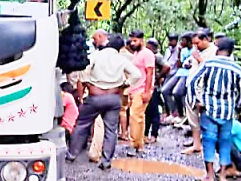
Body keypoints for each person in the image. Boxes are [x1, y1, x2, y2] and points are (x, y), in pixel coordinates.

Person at [68, 34, 143, 168]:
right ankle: (106, 161)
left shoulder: (97, 55)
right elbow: (136, 74)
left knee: (82, 125)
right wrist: (125, 84)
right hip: (114, 98)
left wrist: (87, 82)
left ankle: (72, 154)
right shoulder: (122, 59)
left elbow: (83, 70)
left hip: (95, 97)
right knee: (111, 130)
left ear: (107, 43)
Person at [187, 37, 241, 181]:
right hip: (227, 112)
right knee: (225, 141)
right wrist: (236, 106)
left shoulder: (209, 64)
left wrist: (196, 101)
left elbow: (194, 82)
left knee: (209, 140)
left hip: (209, 109)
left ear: (217, 47)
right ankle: (222, 175)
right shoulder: (237, 69)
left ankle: (209, 175)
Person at [119, 30, 156, 154]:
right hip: (134, 90)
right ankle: (139, 144)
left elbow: (150, 73)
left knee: (134, 117)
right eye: (131, 41)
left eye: (135, 40)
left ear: (142, 40)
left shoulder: (147, 54)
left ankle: (133, 143)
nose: (133, 43)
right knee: (139, 117)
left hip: (141, 90)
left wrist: (147, 91)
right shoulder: (136, 54)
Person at [182, 28, 217, 155]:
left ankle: (208, 148)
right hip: (192, 88)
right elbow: (189, 62)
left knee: (206, 120)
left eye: (198, 43)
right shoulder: (197, 51)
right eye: (194, 44)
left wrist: (200, 59)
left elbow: (213, 69)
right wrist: (190, 61)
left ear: (206, 39)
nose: (196, 46)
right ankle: (196, 144)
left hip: (204, 90)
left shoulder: (215, 51)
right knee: (192, 118)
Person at [144, 38, 170, 144]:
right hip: (147, 86)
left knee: (154, 112)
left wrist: (159, 76)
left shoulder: (156, 56)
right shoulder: (148, 55)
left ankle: (154, 135)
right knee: (147, 112)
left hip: (154, 88)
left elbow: (167, 66)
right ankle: (145, 134)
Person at [162, 33, 192, 119]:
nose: (181, 42)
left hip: (187, 74)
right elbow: (180, 64)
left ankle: (181, 114)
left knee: (176, 92)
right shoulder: (183, 50)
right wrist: (179, 53)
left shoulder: (195, 50)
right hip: (179, 72)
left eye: (183, 40)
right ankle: (174, 112)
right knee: (164, 90)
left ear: (189, 41)